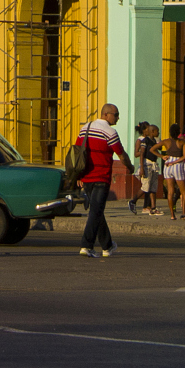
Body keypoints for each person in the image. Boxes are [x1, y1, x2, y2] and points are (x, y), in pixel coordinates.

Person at [72, 104, 129, 258]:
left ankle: (107, 245)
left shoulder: (85, 128)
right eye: (116, 114)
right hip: (101, 177)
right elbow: (121, 153)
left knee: (97, 211)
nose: (118, 118)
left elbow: (77, 152)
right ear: (106, 114)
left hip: (87, 177)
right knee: (95, 211)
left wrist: (78, 175)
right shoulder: (110, 132)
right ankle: (86, 245)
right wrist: (130, 167)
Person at [161, 123, 185, 220]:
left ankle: (172, 215)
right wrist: (175, 162)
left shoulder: (166, 142)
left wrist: (162, 156)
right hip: (177, 165)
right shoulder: (182, 142)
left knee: (170, 191)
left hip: (167, 165)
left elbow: (153, 149)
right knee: (184, 191)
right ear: (178, 132)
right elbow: (184, 156)